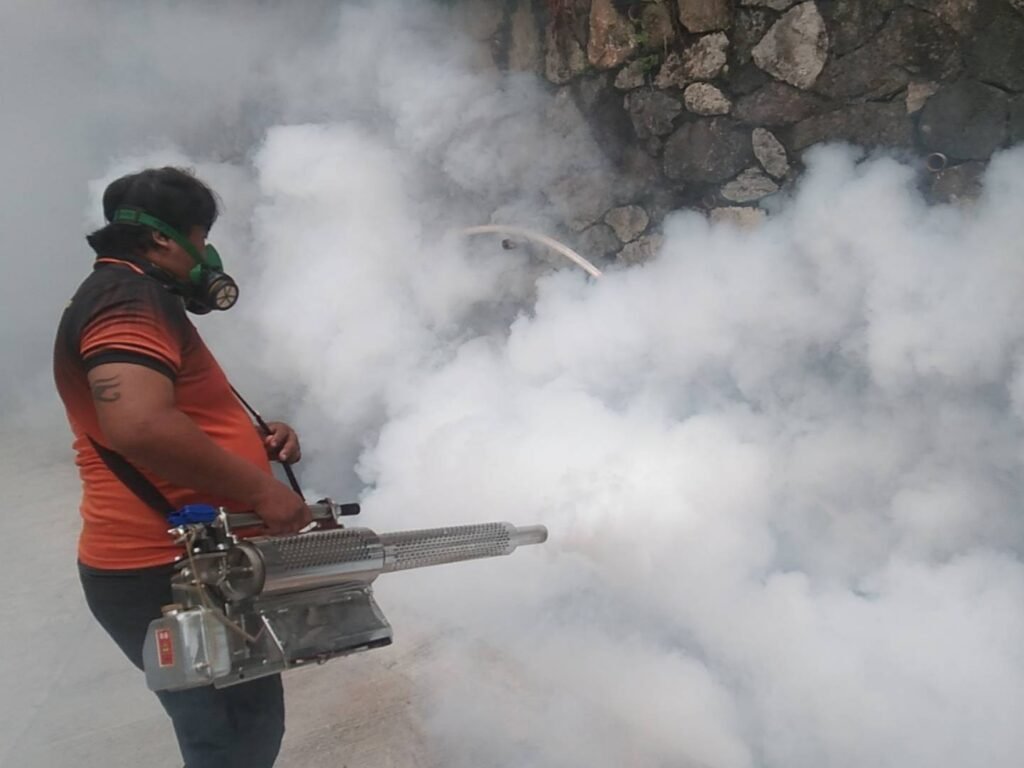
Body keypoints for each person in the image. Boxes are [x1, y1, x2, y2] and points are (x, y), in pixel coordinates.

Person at [53, 166, 312, 768]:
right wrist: (262, 492)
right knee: (223, 740)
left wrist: (253, 439)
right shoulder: (125, 298)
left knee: (247, 727)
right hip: (161, 569)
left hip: (190, 561)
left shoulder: (131, 295)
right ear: (166, 241)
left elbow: (167, 413)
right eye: (200, 236)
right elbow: (139, 423)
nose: (207, 253)